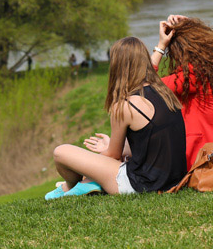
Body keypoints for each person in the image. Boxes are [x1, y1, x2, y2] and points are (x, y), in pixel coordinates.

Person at [45, 36, 187, 199]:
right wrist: (110, 145)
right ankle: (85, 184)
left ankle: (70, 186)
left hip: (144, 185)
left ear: (116, 66)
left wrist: (105, 152)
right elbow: (150, 142)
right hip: (173, 179)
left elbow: (113, 156)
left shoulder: (126, 105)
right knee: (99, 157)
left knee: (60, 152)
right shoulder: (164, 92)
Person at [150, 15, 213, 168]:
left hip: (207, 159)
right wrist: (192, 26)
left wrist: (161, 45)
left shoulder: (193, 75)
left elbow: (145, 84)